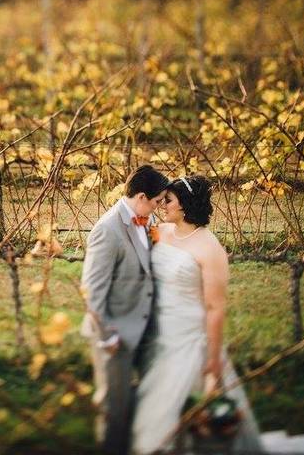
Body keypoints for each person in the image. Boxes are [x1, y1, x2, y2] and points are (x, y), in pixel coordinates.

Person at [130, 175, 262, 454]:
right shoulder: (161, 232)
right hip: (158, 332)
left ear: (185, 205)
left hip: (189, 337)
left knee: (181, 408)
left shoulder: (210, 248)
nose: (162, 205)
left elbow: (215, 308)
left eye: (168, 201)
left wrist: (213, 361)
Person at [81, 164, 169, 455]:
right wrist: (107, 336)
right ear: (142, 196)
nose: (159, 208)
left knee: (142, 404)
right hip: (114, 334)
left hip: (143, 330)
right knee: (113, 410)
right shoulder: (107, 230)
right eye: (157, 201)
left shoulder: (147, 220)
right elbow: (92, 291)